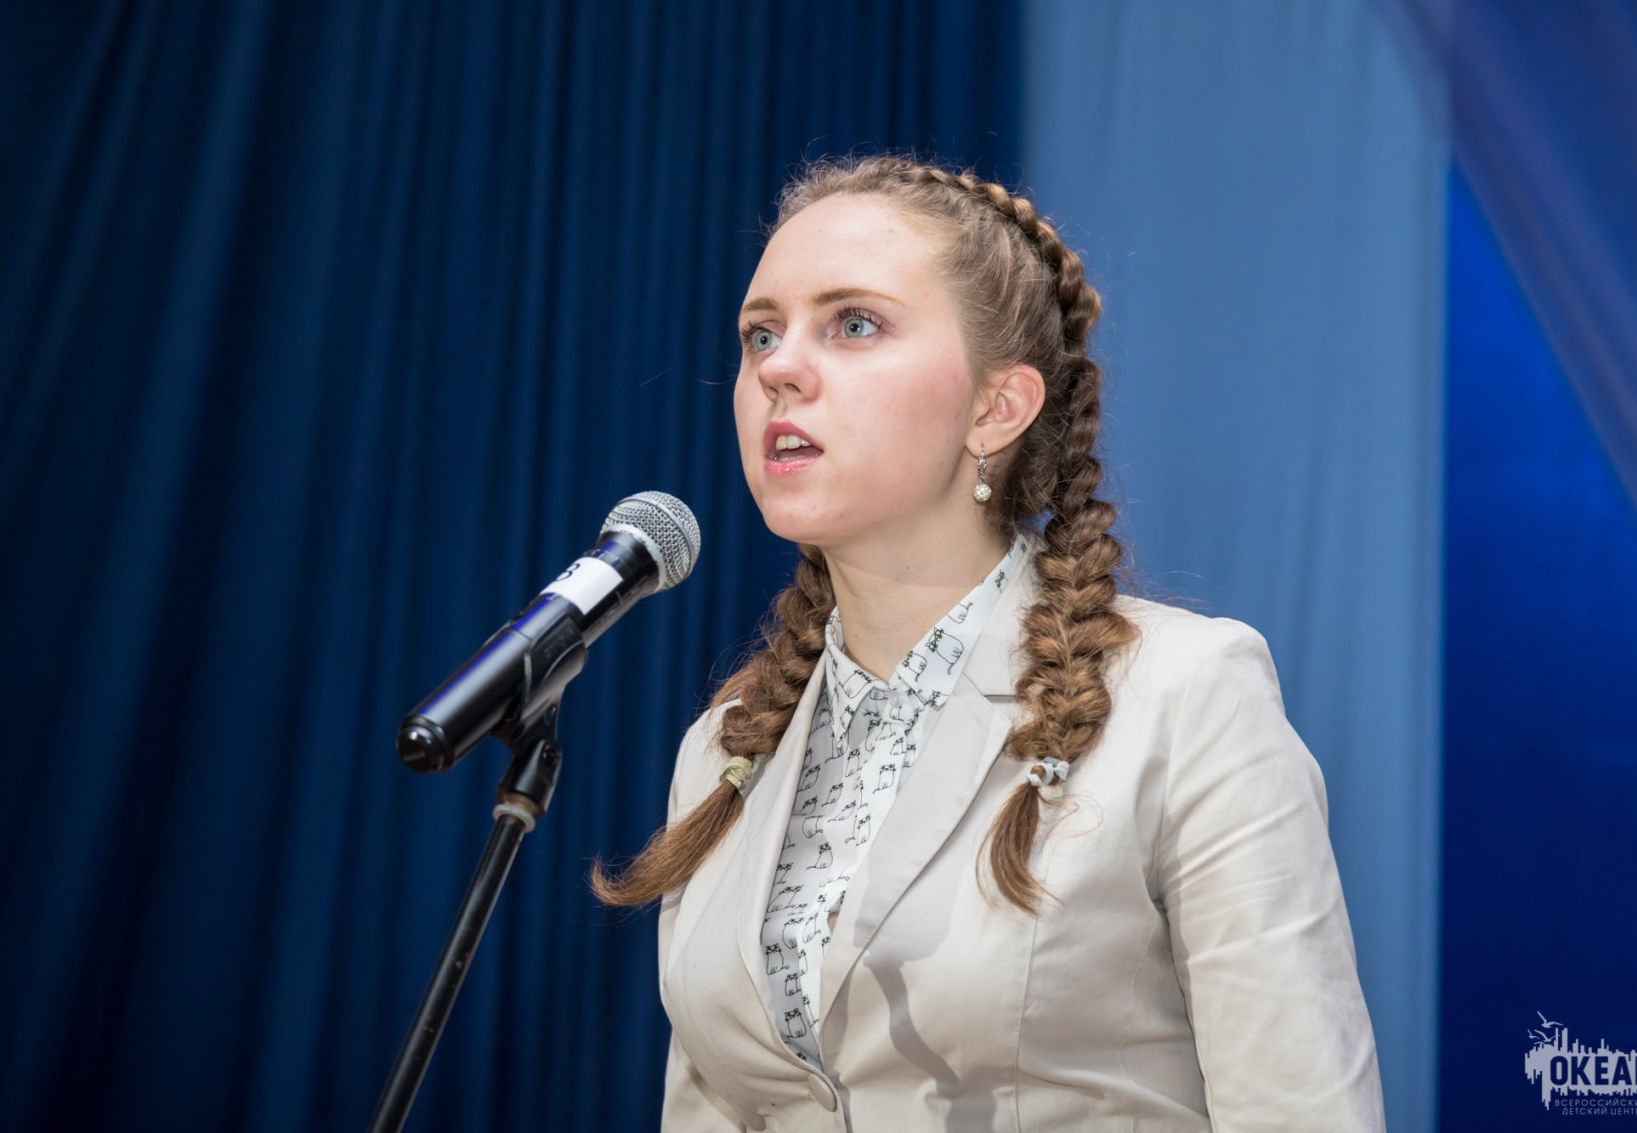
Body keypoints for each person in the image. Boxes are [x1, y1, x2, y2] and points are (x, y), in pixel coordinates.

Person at [592, 155, 1385, 1130]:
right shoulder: (723, 750)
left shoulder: (1185, 697)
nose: (777, 368)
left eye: (853, 323)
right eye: (762, 332)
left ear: (995, 408)